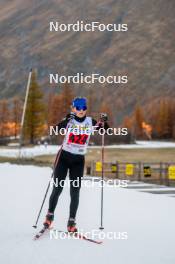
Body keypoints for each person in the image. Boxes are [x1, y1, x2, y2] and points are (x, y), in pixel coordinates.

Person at [43, 97, 108, 232]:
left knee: (75, 191)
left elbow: (104, 131)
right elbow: (55, 130)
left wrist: (104, 122)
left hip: (78, 161)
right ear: (73, 108)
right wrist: (66, 120)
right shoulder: (69, 120)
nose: (81, 110)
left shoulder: (90, 122)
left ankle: (71, 221)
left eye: (84, 108)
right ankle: (50, 215)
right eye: (78, 108)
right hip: (63, 158)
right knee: (58, 188)